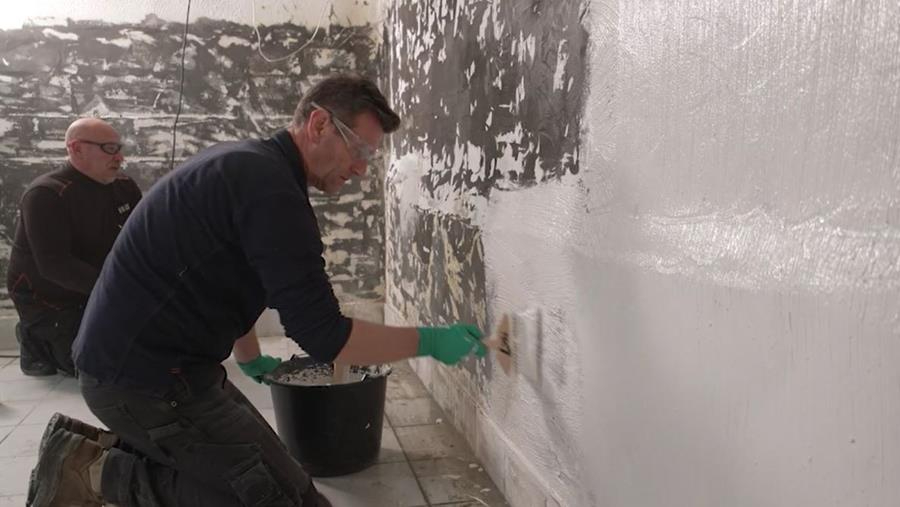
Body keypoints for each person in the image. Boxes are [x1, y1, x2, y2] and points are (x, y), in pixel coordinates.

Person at [26, 75, 486, 507]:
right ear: (319, 124)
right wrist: (430, 341)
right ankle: (92, 472)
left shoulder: (252, 168)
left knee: (287, 488)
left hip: (163, 366)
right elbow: (325, 336)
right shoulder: (271, 191)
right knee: (275, 498)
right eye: (359, 148)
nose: (362, 168)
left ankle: (101, 461)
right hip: (141, 379)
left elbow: (225, 274)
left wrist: (248, 357)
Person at [5, 118, 141, 377]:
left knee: (156, 341)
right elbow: (55, 266)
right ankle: (35, 339)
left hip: (99, 289)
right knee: (101, 365)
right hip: (52, 299)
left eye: (119, 148)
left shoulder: (124, 186)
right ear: (76, 149)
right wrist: (117, 291)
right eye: (109, 148)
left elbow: (139, 241)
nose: (119, 157)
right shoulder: (47, 194)